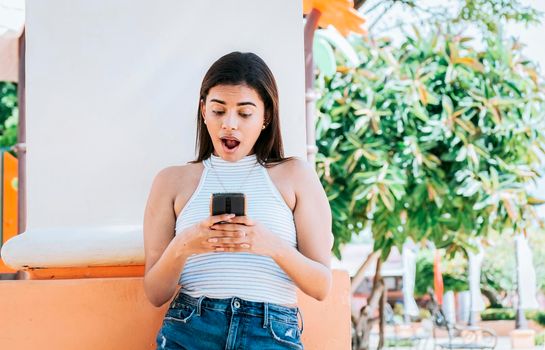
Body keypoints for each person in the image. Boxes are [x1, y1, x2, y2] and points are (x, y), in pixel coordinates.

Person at [143, 51, 333, 350]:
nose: (229, 124)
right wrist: (186, 244)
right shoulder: (171, 181)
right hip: (191, 326)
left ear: (265, 116)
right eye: (218, 111)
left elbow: (321, 285)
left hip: (270, 332)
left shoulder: (295, 176)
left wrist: (270, 245)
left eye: (244, 113)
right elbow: (154, 292)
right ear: (203, 110)